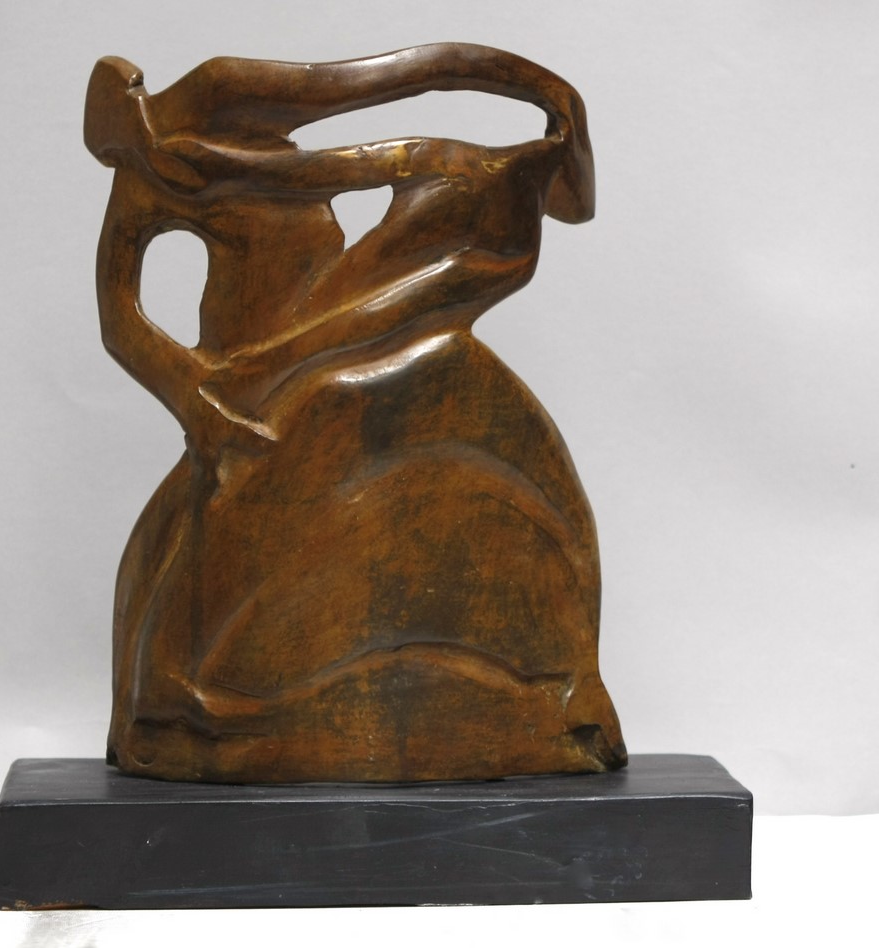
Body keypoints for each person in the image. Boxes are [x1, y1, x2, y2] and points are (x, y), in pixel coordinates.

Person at [85, 44, 625, 782]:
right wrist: (195, 395)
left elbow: (388, 79)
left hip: (342, 333)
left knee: (503, 450)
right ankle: (182, 702)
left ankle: (555, 684)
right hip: (253, 372)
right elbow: (121, 322)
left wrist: (543, 91)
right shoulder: (149, 178)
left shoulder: (225, 103)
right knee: (230, 510)